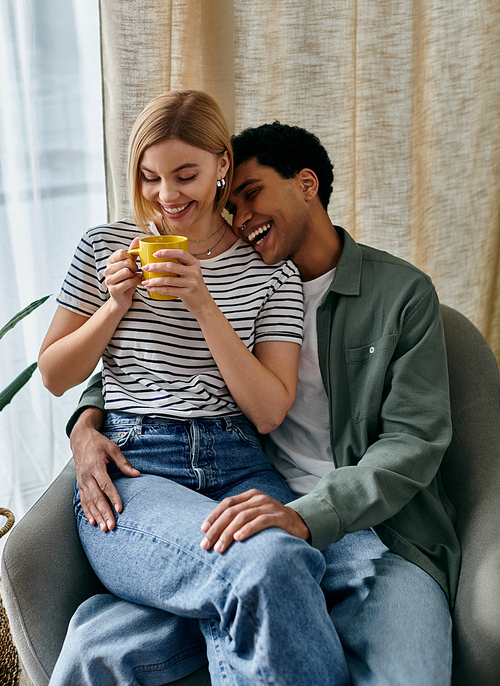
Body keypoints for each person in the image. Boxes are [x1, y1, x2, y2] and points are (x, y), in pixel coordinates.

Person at [59, 121, 461, 686]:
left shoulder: (402, 296)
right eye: (232, 202)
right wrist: (86, 423)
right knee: (97, 650)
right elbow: (154, 365)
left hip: (375, 534)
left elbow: (412, 443)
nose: (239, 218)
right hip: (244, 506)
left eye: (251, 195)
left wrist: (306, 516)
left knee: (411, 676)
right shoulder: (237, 279)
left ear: (305, 184)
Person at [41, 92, 350, 686]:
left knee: (281, 557)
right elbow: (55, 375)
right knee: (270, 565)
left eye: (186, 175)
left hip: (238, 459)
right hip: (137, 467)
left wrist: (202, 301)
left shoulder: (270, 269)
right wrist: (113, 306)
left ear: (221, 166)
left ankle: (124, 621)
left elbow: (267, 410)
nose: (167, 195)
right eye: (150, 177)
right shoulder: (103, 246)